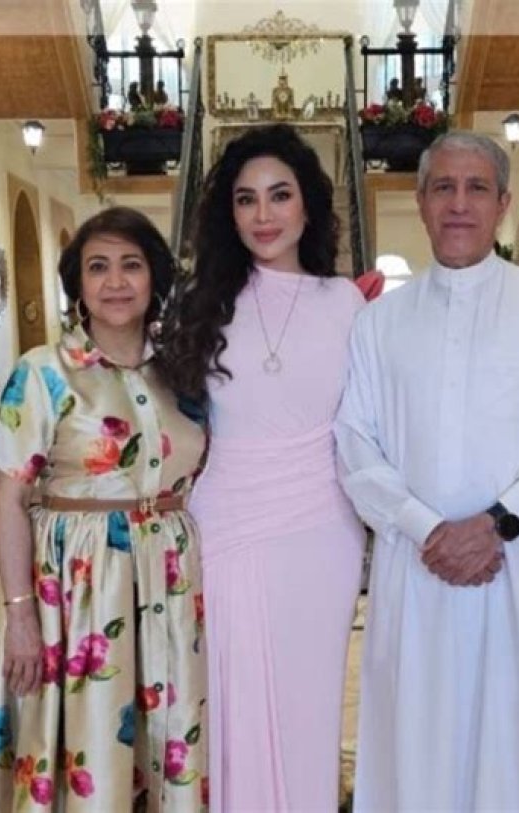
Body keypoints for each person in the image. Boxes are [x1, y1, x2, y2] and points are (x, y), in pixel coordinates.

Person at [335, 130, 519, 812]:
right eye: (443, 188)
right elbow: (355, 443)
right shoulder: (378, 323)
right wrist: (427, 529)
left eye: (477, 188)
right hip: (416, 568)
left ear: (503, 203)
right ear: (421, 202)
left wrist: (496, 523)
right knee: (417, 740)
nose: (459, 204)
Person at [0, 207, 208, 811]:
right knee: (87, 738)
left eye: (131, 265)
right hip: (74, 591)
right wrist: (21, 614)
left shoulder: (184, 371)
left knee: (165, 731)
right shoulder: (43, 371)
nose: (115, 282)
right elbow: (8, 498)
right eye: (98, 267)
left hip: (169, 585)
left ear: (154, 278)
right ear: (78, 285)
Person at [158, 123, 365, 811]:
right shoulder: (199, 305)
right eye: (246, 199)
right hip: (224, 528)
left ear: (309, 205)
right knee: (229, 700)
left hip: (322, 531)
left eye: (280, 194)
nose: (263, 214)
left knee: (309, 706)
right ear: (230, 213)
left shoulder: (348, 304)